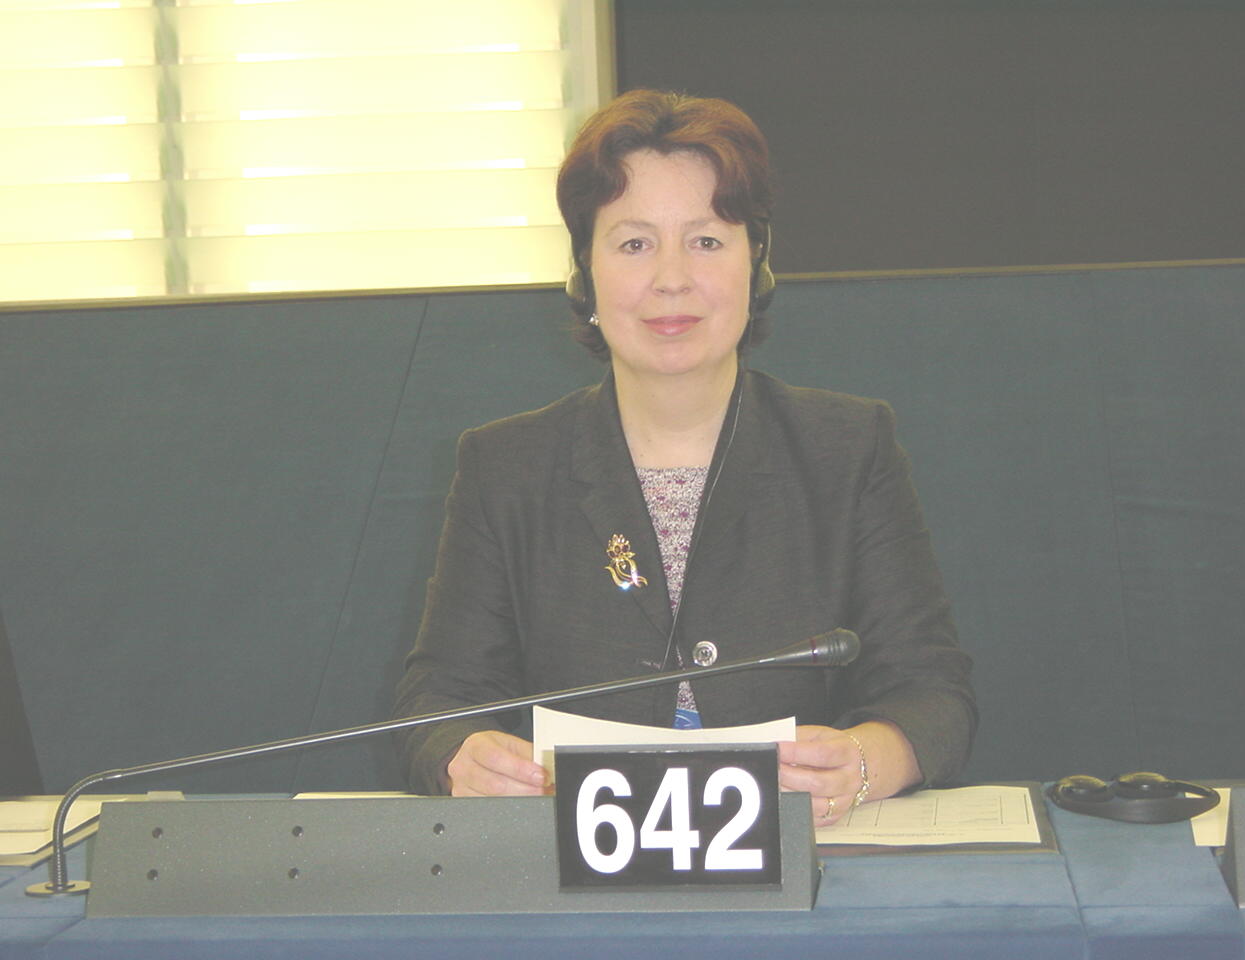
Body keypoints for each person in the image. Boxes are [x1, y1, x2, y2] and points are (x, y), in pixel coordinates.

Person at [392, 90, 975, 825]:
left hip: (802, 850)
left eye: (705, 241)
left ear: (756, 265)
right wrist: (461, 753)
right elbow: (437, 701)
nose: (672, 278)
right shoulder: (505, 467)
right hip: (571, 858)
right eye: (635, 244)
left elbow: (932, 694)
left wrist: (866, 760)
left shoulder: (848, 449)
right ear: (585, 275)